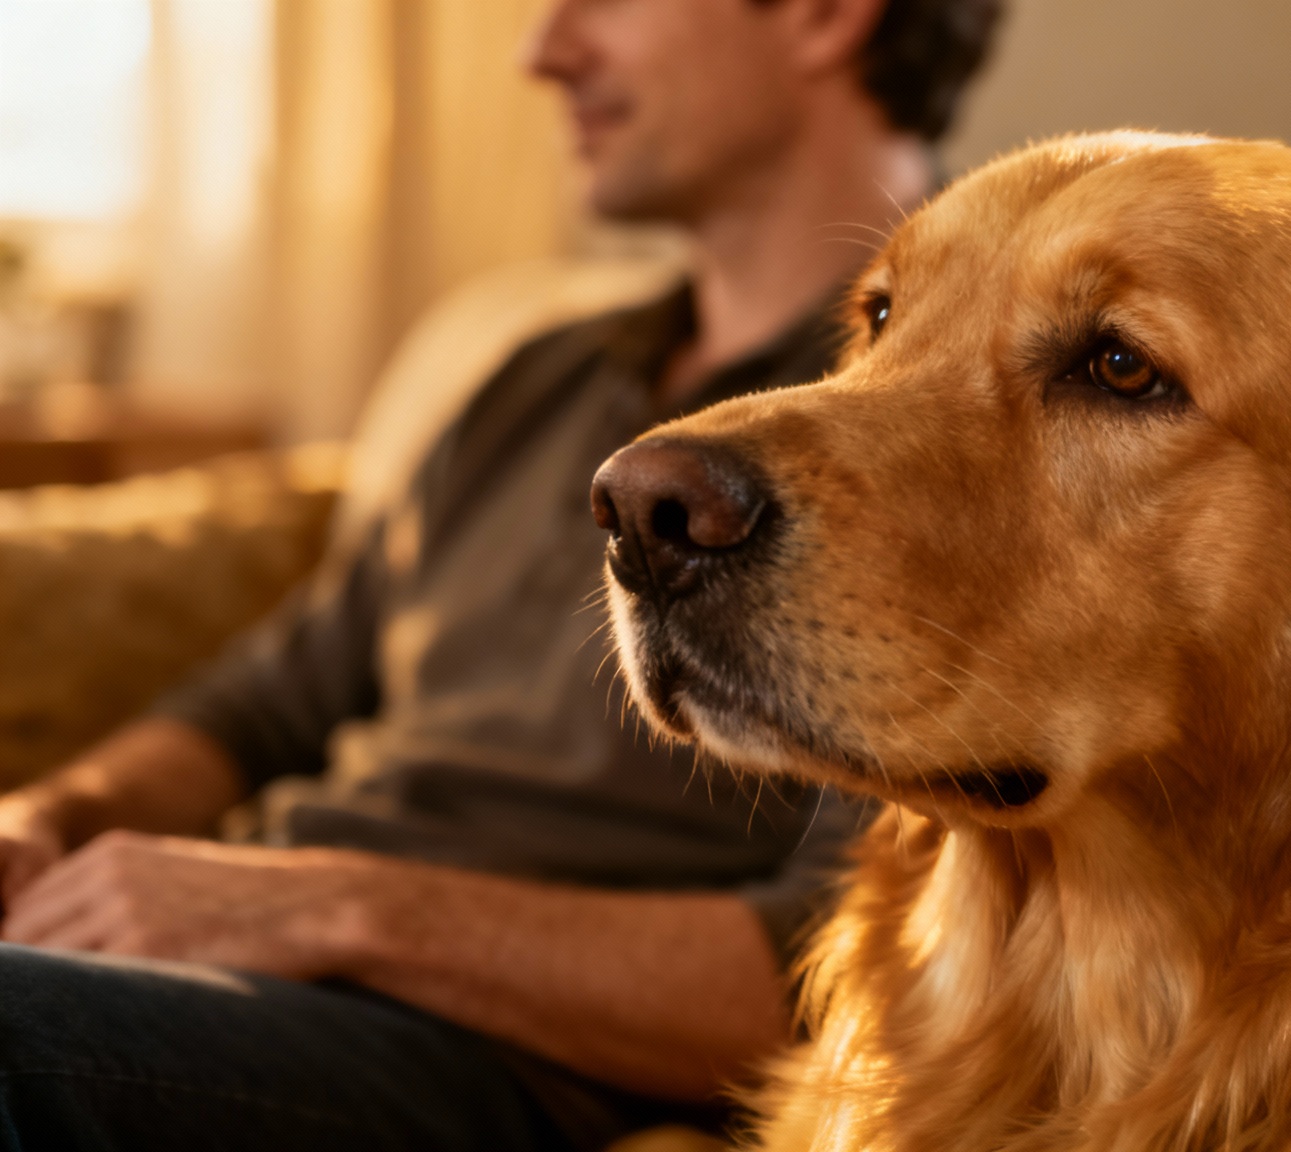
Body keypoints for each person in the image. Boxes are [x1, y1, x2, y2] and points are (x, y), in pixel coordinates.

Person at [0, 0, 1000, 1147]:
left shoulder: (949, 462)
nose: (544, 51)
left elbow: (855, 973)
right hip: (219, 966)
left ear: (824, 16)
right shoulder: (542, 377)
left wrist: (330, 909)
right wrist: (50, 816)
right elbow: (269, 697)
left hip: (479, 1054)